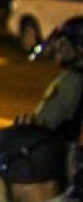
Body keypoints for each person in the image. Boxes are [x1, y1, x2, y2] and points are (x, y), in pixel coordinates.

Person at [24, 16, 83, 146]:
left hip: (60, 156)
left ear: (79, 48)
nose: (58, 49)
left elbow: (43, 123)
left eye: (64, 44)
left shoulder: (71, 81)